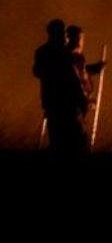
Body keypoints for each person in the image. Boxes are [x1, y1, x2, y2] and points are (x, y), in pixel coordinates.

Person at [32, 19, 88, 156]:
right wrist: (82, 100)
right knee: (76, 142)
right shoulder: (63, 54)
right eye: (63, 33)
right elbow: (72, 79)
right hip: (67, 104)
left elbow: (37, 71)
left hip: (51, 102)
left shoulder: (42, 51)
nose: (65, 36)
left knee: (58, 139)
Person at [65, 25, 106, 116]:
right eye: (79, 38)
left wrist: (95, 68)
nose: (81, 42)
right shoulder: (68, 57)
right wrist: (85, 100)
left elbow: (82, 72)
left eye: (81, 38)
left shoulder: (76, 57)